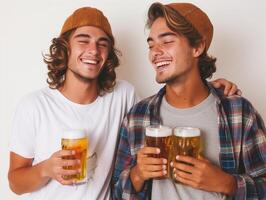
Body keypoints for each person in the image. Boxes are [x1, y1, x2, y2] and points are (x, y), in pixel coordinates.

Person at [8, 5, 239, 200]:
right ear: (65, 47)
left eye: (102, 44)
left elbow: (177, 100)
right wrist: (46, 169)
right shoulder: (34, 106)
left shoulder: (123, 96)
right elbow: (15, 183)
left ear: (108, 53)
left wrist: (210, 87)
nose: (93, 50)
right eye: (83, 40)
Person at [112, 2, 266, 200]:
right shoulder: (137, 116)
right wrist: (137, 175)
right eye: (151, 45)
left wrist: (228, 183)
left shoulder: (238, 112)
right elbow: (115, 193)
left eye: (167, 42)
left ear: (198, 47)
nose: (154, 53)